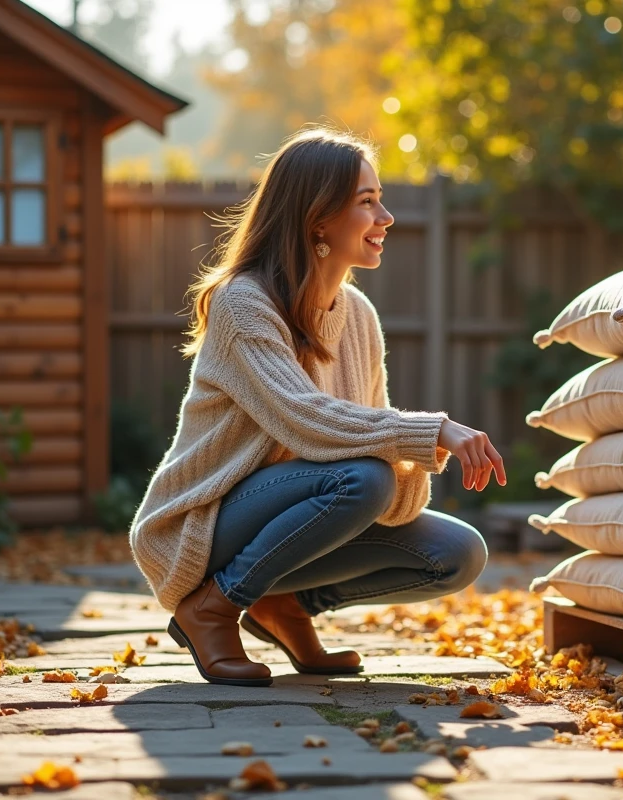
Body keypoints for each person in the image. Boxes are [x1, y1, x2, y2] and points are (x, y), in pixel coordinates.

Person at [128, 126, 506, 687]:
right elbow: (307, 420)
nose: (386, 218)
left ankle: (284, 605)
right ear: (318, 218)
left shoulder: (357, 316)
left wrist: (406, 457)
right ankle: (212, 606)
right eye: (367, 202)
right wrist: (434, 432)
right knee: (364, 478)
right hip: (205, 520)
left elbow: (381, 479)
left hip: (298, 510)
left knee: (457, 552)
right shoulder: (243, 303)